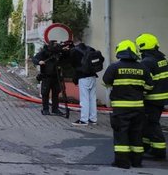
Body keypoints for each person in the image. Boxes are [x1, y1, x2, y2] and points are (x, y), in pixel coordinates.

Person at [103, 40, 153, 169]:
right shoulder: (143, 68)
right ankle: (137, 161)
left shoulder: (114, 67)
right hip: (138, 107)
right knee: (137, 133)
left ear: (120, 52)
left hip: (120, 108)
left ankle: (122, 162)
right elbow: (149, 86)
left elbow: (106, 82)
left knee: (121, 134)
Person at [136, 33, 168, 159]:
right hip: (161, 97)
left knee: (152, 123)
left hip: (152, 98)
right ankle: (147, 146)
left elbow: (145, 82)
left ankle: (159, 150)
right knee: (147, 122)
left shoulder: (147, 62)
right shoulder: (161, 58)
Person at [33, 40, 66, 116]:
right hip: (46, 76)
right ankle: (45, 109)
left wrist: (65, 51)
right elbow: (35, 59)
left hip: (56, 76)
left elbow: (65, 58)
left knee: (56, 93)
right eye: (54, 45)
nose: (56, 47)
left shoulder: (58, 52)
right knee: (45, 93)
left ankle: (55, 109)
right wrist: (39, 62)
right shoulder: (44, 52)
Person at [69, 41, 99, 126]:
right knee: (92, 99)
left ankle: (84, 120)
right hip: (92, 76)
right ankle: (93, 119)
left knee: (84, 99)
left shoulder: (74, 51)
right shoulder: (90, 49)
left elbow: (73, 64)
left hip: (83, 77)